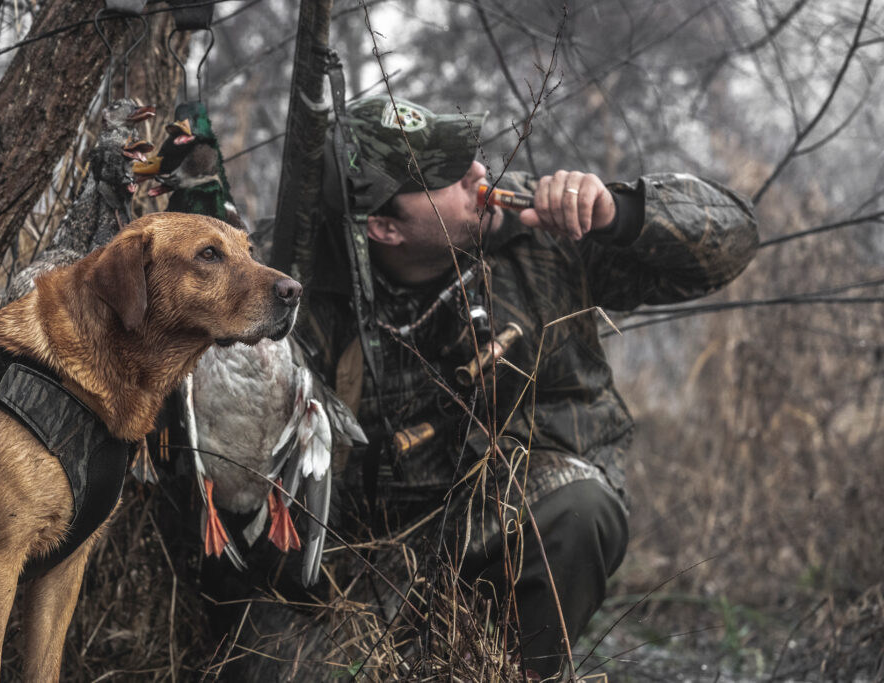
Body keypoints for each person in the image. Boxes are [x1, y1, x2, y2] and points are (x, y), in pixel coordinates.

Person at [281, 94, 760, 679]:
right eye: (447, 177)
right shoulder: (294, 283)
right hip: (364, 557)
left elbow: (734, 239)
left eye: (469, 157)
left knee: (578, 511)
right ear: (383, 226)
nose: (479, 174)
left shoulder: (544, 223)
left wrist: (617, 212)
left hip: (515, 511)